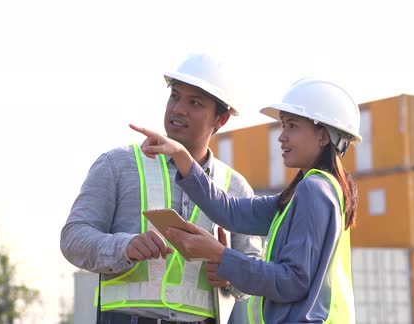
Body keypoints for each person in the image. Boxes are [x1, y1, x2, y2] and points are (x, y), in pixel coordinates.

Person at [130, 77, 361, 323]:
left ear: (324, 137)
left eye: (292, 126)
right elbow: (231, 211)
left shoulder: (314, 190)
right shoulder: (315, 191)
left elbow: (291, 281)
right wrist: (182, 155)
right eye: (283, 125)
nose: (281, 137)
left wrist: (220, 254)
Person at [60, 52, 263, 324]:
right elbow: (73, 238)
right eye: (175, 96)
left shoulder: (236, 188)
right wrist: (125, 246)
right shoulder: (117, 165)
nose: (178, 108)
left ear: (221, 119)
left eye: (194, 102)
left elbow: (255, 271)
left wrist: (231, 274)